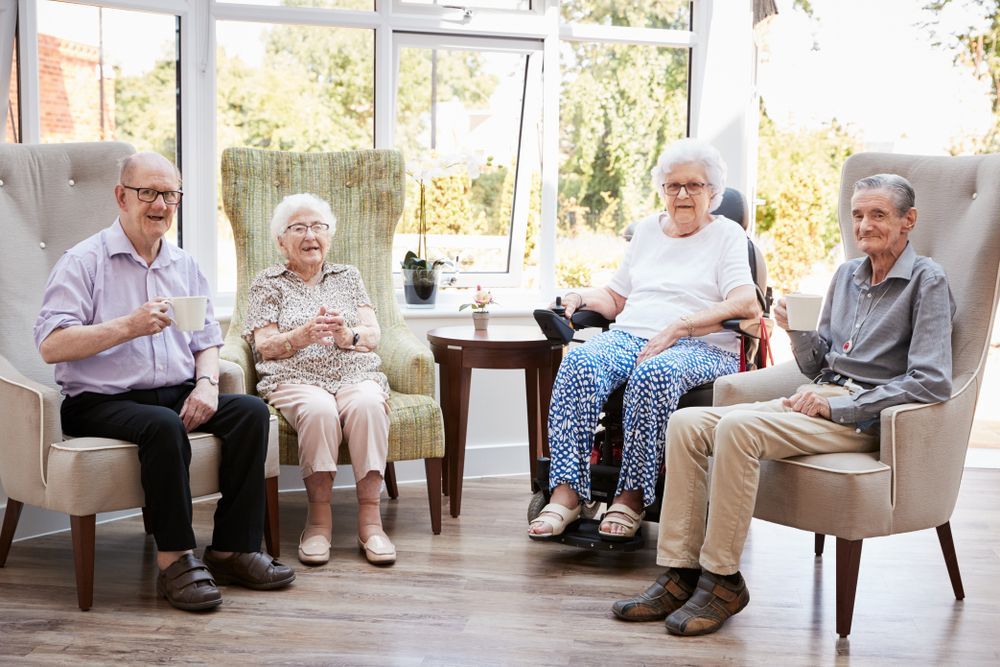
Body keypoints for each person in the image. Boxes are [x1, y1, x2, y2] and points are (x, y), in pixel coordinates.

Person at [611, 173, 955, 636]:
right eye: (857, 215)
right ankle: (680, 573)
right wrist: (795, 330)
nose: (864, 225)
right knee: (688, 423)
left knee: (738, 430)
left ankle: (723, 580)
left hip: (866, 414)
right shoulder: (847, 276)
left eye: (878, 214)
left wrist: (839, 408)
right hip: (822, 394)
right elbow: (819, 364)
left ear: (908, 220)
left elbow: (931, 381)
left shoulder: (927, 281)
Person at [34, 152, 294, 612]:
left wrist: (208, 384)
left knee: (251, 412)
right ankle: (174, 561)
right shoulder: (84, 261)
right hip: (98, 399)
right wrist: (127, 327)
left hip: (173, 391)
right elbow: (51, 345)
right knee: (161, 425)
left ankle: (232, 549)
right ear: (121, 196)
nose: (160, 204)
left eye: (170, 195)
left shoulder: (182, 264)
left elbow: (207, 338)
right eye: (148, 193)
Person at [528, 139, 762, 541]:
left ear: (713, 192)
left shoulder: (727, 236)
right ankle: (567, 495)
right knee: (579, 362)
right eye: (673, 186)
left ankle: (632, 496)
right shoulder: (647, 232)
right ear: (663, 190)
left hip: (703, 346)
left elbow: (746, 302)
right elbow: (617, 298)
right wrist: (579, 297)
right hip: (633, 336)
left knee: (654, 373)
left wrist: (682, 326)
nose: (683, 194)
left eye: (694, 185)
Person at [244, 193, 395, 567]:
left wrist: (348, 337)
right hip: (294, 376)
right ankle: (318, 522)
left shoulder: (349, 276)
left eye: (318, 227)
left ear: (329, 235)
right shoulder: (268, 282)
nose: (310, 235)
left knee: (367, 404)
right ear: (281, 240)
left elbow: (373, 334)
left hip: (353, 372)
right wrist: (302, 335)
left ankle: (371, 521)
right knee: (318, 410)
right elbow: (263, 346)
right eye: (298, 228)